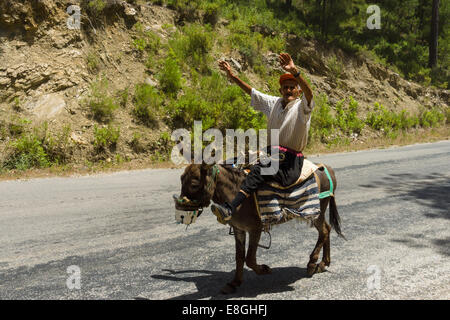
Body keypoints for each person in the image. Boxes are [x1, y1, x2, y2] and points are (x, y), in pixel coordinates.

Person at [212, 53, 315, 222]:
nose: (288, 90)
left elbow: (310, 94)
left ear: (298, 91)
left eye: (292, 87)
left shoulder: (303, 107)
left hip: (289, 162)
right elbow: (252, 92)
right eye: (285, 87)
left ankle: (230, 208)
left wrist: (295, 71)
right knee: (230, 163)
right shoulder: (274, 103)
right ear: (280, 90)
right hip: (270, 153)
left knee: (260, 170)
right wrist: (232, 76)